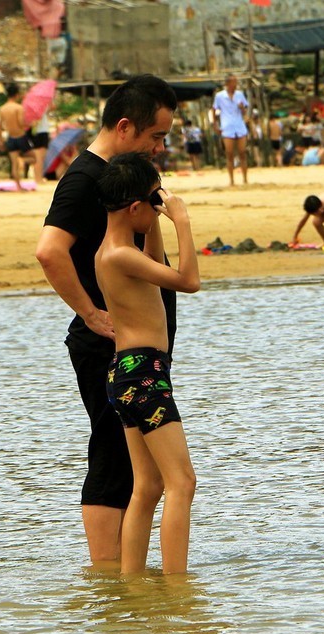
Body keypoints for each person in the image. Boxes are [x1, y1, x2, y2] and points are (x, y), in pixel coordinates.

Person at [35, 75, 179, 568]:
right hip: (108, 344)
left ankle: (121, 580)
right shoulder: (85, 179)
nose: (160, 148)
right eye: (155, 137)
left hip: (137, 345)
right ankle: (106, 567)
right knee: (111, 451)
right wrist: (90, 314)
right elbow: (49, 251)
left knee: (129, 457)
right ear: (124, 127)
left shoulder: (118, 178)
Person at [95, 152, 200, 575]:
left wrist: (155, 218)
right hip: (143, 376)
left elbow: (157, 265)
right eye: (151, 202)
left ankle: (132, 584)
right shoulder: (120, 255)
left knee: (149, 486)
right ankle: (178, 587)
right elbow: (188, 281)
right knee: (182, 482)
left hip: (128, 373)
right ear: (134, 207)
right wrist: (182, 221)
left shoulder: (113, 250)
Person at [213, 74, 250, 186]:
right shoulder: (219, 96)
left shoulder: (240, 94)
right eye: (233, 82)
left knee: (242, 152)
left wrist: (242, 108)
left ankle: (245, 179)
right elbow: (214, 110)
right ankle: (232, 180)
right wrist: (215, 125)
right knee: (229, 154)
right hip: (227, 127)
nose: (235, 84)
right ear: (228, 84)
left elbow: (245, 111)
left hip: (239, 126)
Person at [0, 83, 33, 191]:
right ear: (17, 95)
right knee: (33, 158)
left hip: (10, 137)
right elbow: (21, 123)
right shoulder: (18, 108)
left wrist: (0, 141)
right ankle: (22, 160)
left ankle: (18, 186)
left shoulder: (2, 109)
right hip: (20, 136)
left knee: (14, 163)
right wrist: (30, 123)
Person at [30, 104, 52, 184]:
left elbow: (51, 108)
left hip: (41, 132)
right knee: (39, 157)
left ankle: (39, 177)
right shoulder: (36, 106)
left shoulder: (41, 105)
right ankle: (38, 178)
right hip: (40, 132)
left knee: (41, 157)